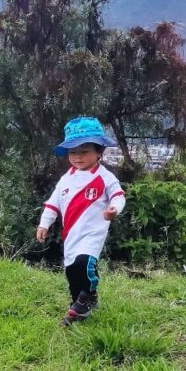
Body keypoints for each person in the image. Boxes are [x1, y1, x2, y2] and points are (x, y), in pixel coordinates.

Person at [36, 117, 126, 326]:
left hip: (93, 233)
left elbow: (118, 196)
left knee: (84, 263)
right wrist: (44, 223)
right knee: (72, 273)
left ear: (98, 152)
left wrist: (114, 209)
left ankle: (90, 294)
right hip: (71, 235)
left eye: (84, 151)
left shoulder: (105, 177)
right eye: (73, 152)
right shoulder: (66, 178)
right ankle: (78, 306)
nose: (78, 157)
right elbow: (53, 203)